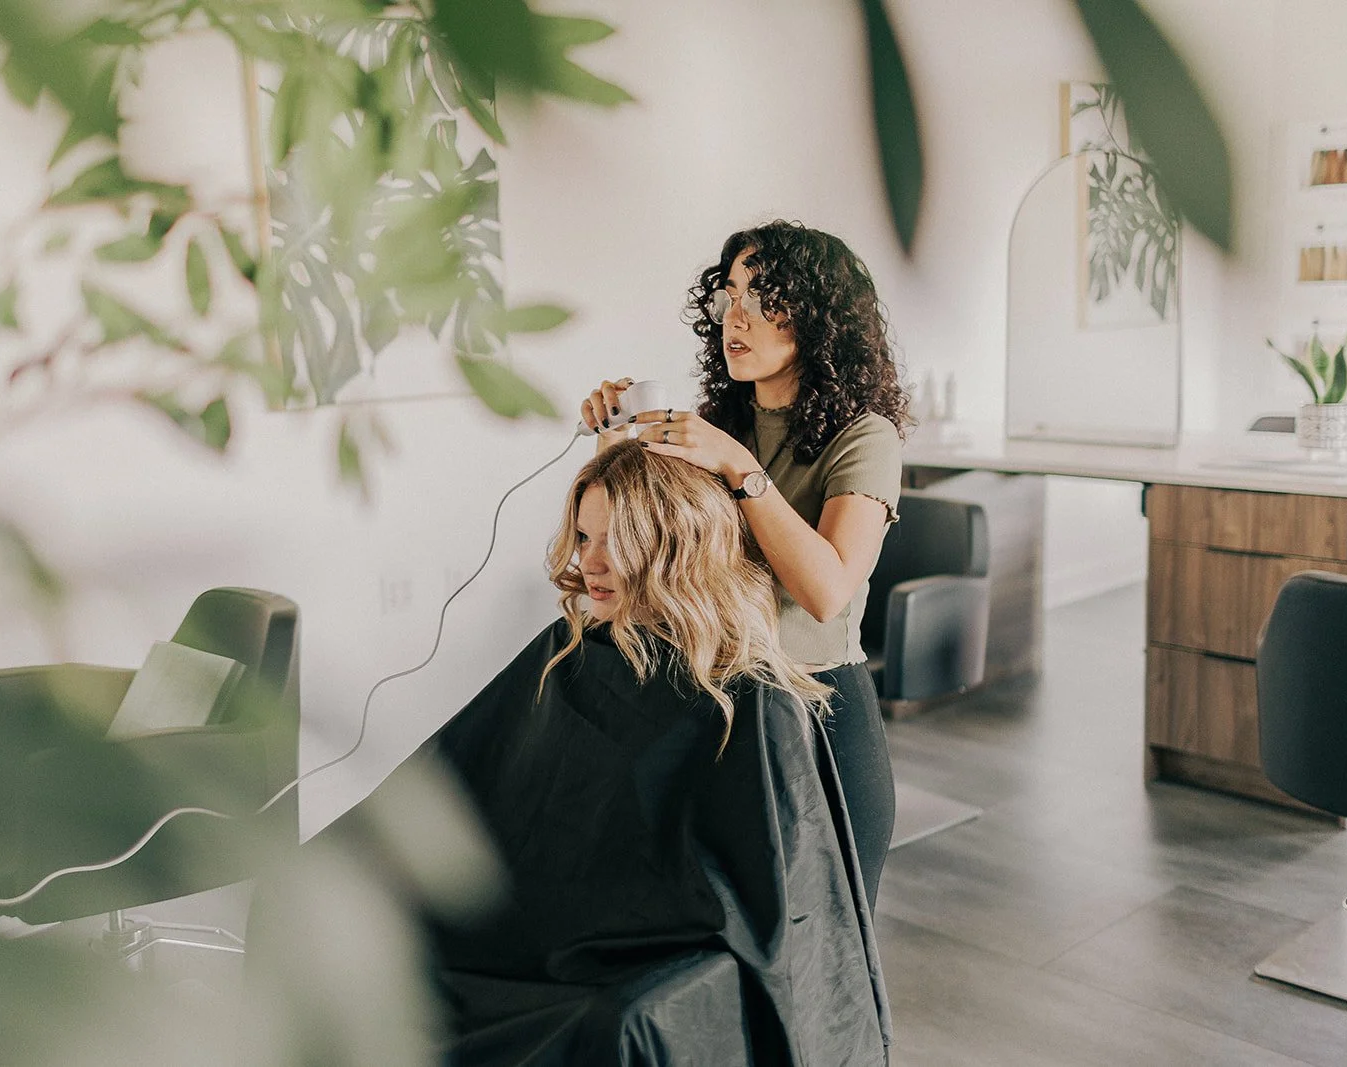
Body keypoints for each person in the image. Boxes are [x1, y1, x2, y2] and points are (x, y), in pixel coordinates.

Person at [272, 442, 891, 1065]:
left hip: (638, 958)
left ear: (671, 546)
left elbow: (765, 912)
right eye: (584, 537)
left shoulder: (752, 697)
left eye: (612, 541)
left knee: (606, 1023)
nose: (587, 564)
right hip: (532, 930)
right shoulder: (572, 652)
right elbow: (476, 780)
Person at [581, 220, 909, 906]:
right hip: (726, 707)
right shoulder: (715, 426)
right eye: (729, 294)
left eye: (765, 297)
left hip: (819, 713)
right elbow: (651, 543)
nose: (738, 315)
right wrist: (617, 433)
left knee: (830, 947)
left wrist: (739, 467)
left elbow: (825, 589)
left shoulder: (865, 438)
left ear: (820, 320)